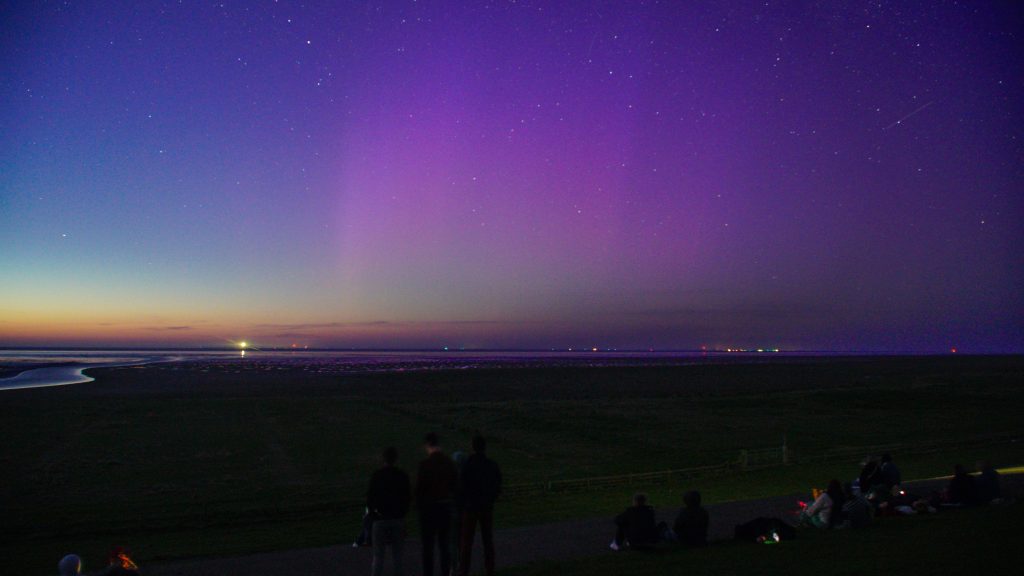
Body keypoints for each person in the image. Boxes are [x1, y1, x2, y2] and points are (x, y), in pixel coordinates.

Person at [457, 434, 502, 576]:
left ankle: (464, 571)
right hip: (486, 507)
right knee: (487, 541)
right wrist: (491, 499)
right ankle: (490, 569)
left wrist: (464, 502)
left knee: (466, 543)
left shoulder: (468, 465)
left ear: (473, 447)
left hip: (470, 508)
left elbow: (461, 486)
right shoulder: (491, 465)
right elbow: (497, 485)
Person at [416, 432, 458, 576]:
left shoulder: (425, 465)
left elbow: (419, 489)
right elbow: (455, 485)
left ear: (428, 445)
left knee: (428, 547)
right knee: (444, 546)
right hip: (444, 507)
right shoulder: (448, 463)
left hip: (429, 510)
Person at [367, 446, 412, 576]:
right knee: (398, 557)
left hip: (380, 519)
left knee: (378, 557)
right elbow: (407, 498)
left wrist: (373, 515)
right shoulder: (402, 476)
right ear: (396, 459)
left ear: (383, 459)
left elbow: (370, 498)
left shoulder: (377, 476)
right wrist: (402, 514)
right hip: (397, 519)